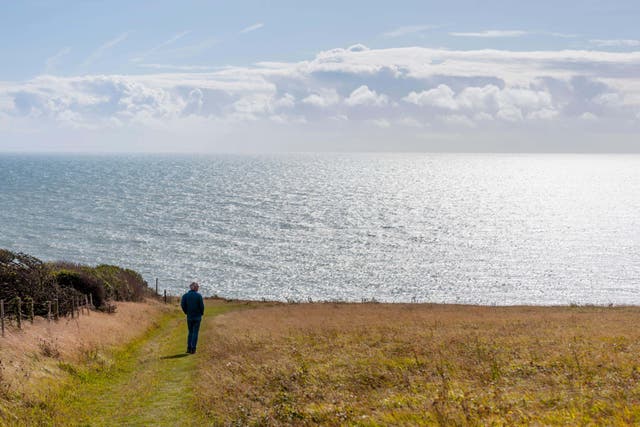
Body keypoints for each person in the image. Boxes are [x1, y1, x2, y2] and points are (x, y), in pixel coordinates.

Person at [181, 282, 205, 354]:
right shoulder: (198, 296)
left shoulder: (185, 296)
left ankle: (189, 348)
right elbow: (202, 306)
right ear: (194, 287)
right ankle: (193, 348)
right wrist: (201, 313)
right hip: (197, 317)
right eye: (197, 286)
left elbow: (182, 305)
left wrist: (186, 312)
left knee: (190, 332)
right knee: (195, 333)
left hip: (189, 316)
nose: (198, 288)